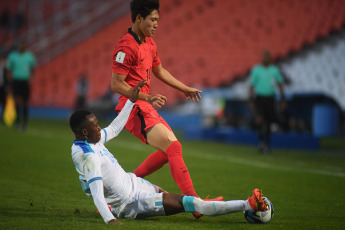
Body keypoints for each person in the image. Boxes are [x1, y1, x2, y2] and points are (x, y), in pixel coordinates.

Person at [69, 81, 268, 224]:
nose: (99, 128)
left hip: (134, 183)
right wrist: (110, 220)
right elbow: (96, 193)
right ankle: (248, 205)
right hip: (132, 201)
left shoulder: (90, 140)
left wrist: (130, 101)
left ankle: (199, 205)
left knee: (182, 201)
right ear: (85, 132)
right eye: (95, 126)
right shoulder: (89, 158)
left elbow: (113, 129)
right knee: (189, 203)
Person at [111, 1, 219, 215]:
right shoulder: (126, 45)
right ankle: (196, 205)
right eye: (153, 19)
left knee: (168, 151)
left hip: (145, 105)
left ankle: (126, 186)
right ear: (139, 18)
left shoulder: (149, 43)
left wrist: (184, 88)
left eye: (157, 20)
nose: (156, 24)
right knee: (173, 148)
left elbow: (159, 71)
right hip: (133, 107)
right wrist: (146, 97)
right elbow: (116, 84)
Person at [249, 50, 286, 153]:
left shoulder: (274, 70)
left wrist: (283, 98)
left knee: (269, 122)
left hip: (270, 98)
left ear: (270, 58)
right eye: (264, 56)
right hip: (260, 98)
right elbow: (252, 85)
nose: (265, 58)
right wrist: (250, 98)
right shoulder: (256, 70)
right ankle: (261, 142)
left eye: (267, 56)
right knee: (260, 119)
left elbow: (280, 84)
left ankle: (267, 144)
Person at [6, 40, 36, 130]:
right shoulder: (12, 56)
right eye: (20, 46)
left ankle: (25, 122)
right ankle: (18, 121)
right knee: (17, 101)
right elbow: (9, 69)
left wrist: (31, 77)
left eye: (23, 45)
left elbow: (33, 68)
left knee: (25, 102)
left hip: (25, 81)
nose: (21, 47)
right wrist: (9, 81)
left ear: (25, 46)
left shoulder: (29, 56)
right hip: (16, 80)